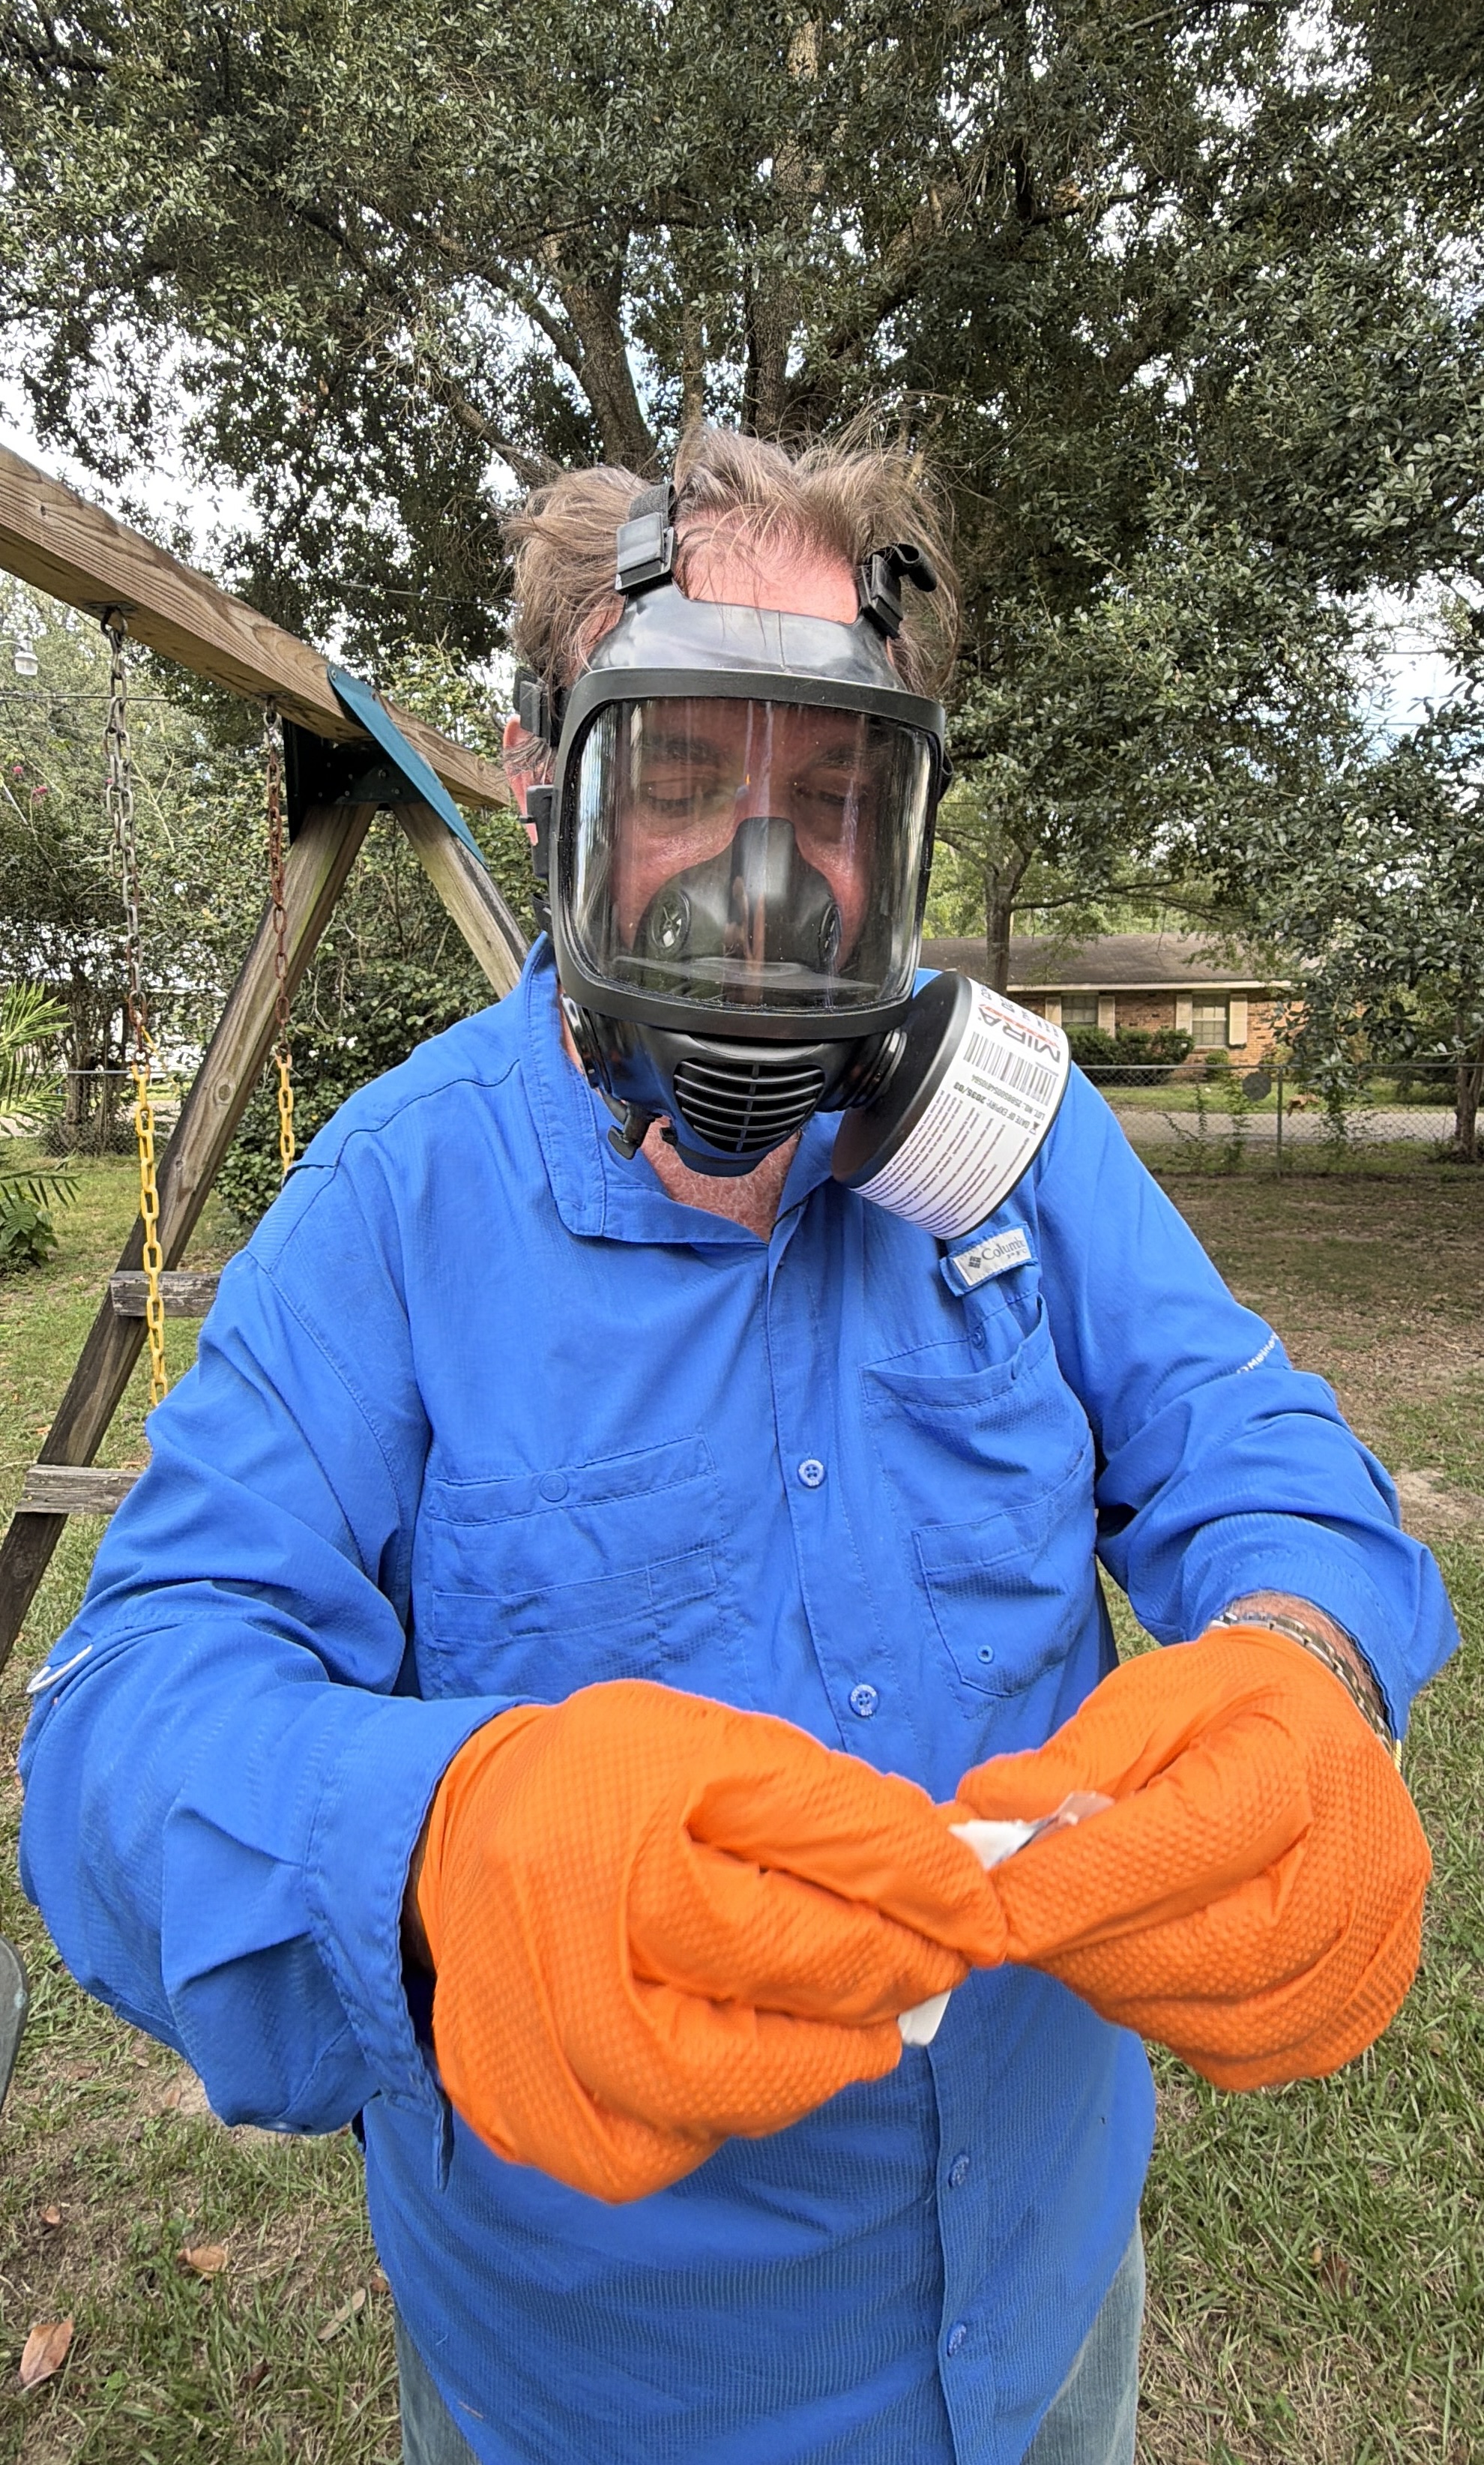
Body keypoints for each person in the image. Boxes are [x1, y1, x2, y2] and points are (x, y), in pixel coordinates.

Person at [20, 428, 1456, 2465]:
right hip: (611, 2386)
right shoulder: (394, 1206)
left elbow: (1248, 1443)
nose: (762, 888)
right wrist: (429, 1852)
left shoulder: (1022, 1142)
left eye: (833, 795)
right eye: (685, 780)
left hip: (1039, 2306)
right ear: (549, 783)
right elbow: (124, 1719)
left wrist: (1308, 1661)